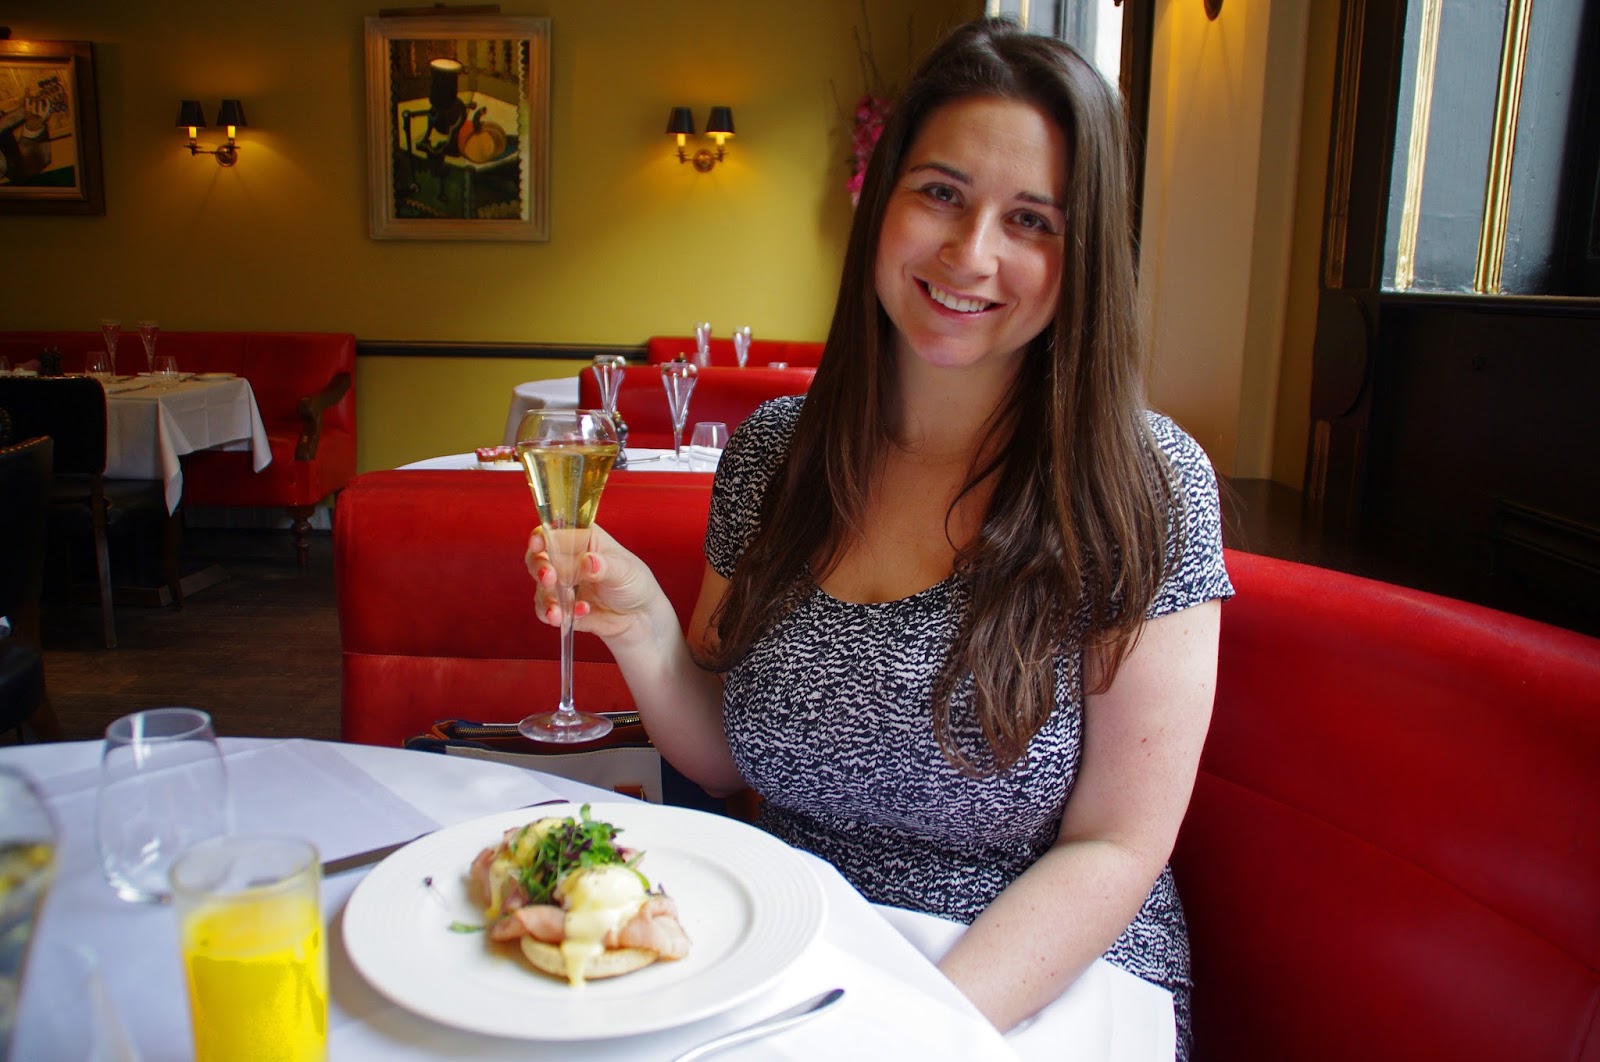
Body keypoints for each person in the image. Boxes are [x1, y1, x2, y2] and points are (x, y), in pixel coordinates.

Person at [526, 16, 1231, 1059]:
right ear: (882, 201)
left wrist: (902, 1029)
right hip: (792, 952)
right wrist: (639, 625)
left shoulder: (1145, 484)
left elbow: (1116, 846)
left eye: (1031, 220)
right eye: (941, 193)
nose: (971, 253)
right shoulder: (778, 452)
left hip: (1033, 982)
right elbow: (721, 756)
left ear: (1082, 255)